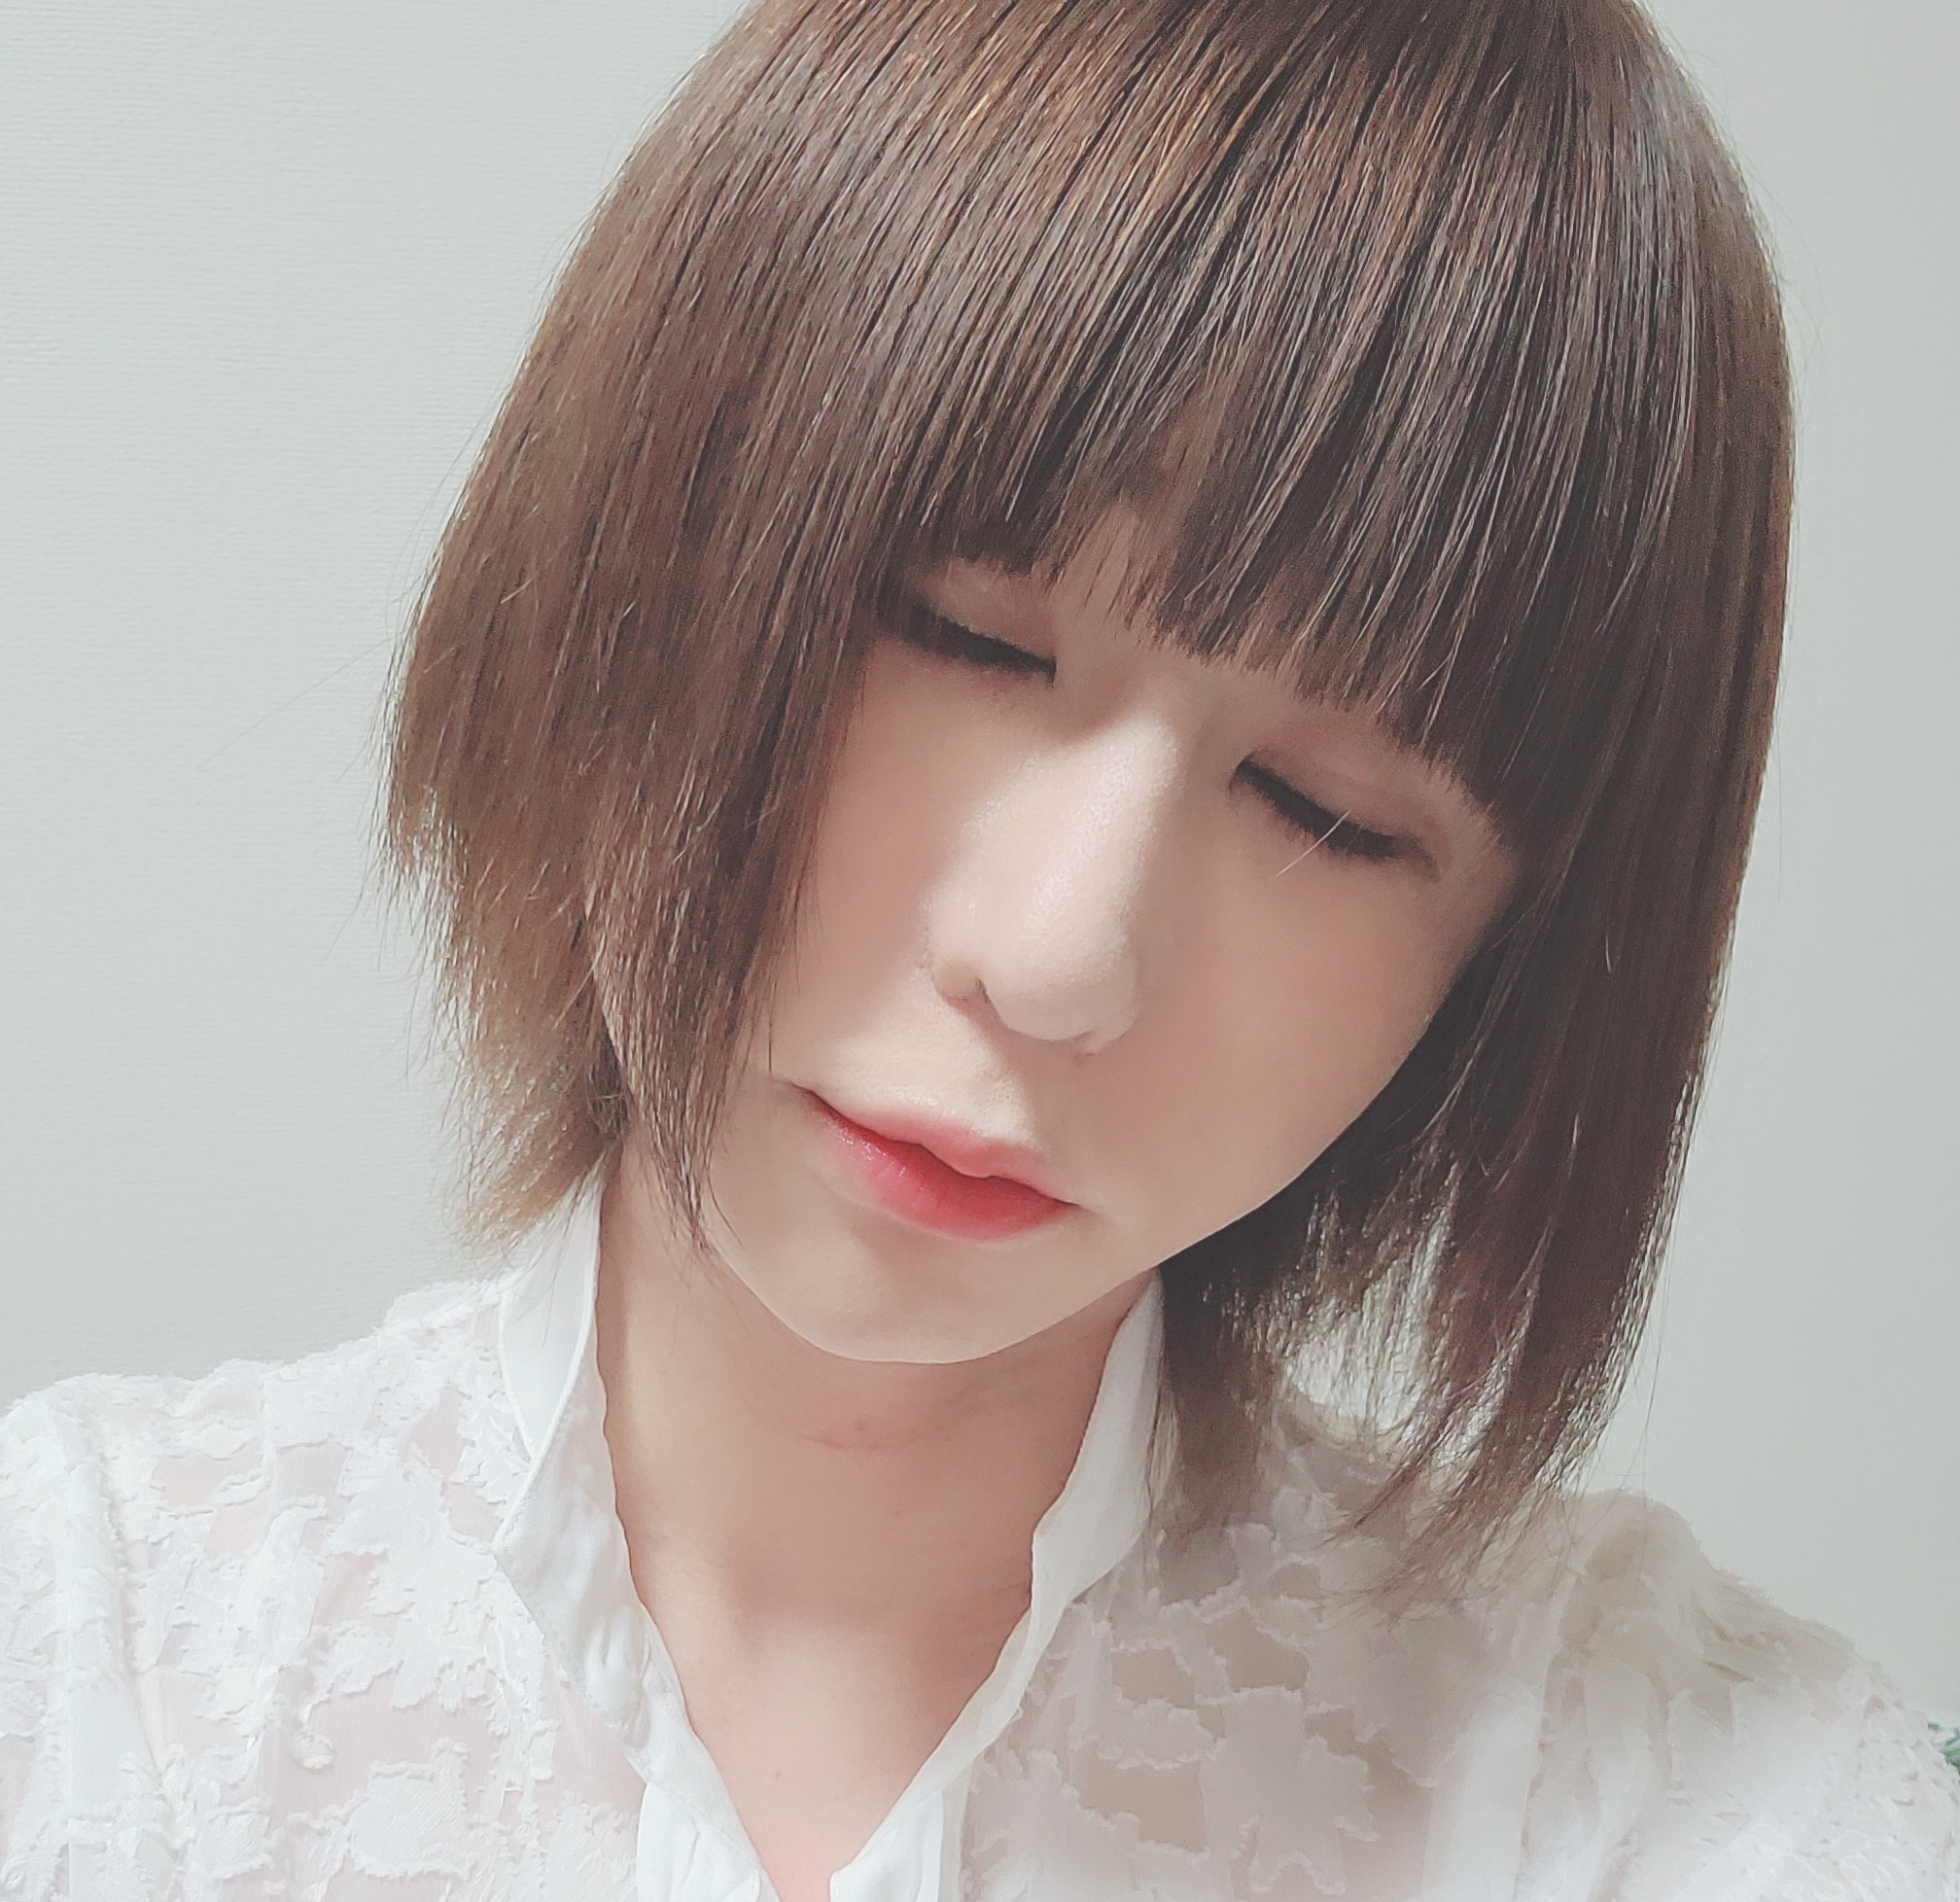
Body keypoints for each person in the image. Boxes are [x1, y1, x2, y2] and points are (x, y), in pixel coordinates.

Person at [3, 0, 1956, 1894]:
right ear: (633, 536)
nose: (1056, 961)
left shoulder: (1668, 1793)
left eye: (1332, 810)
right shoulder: (88, 1663)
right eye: (968, 637)